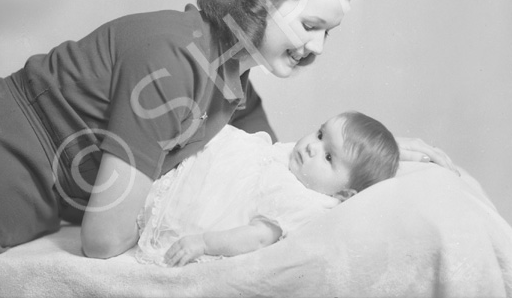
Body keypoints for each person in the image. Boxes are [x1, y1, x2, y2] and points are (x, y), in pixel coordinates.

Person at [0, 0, 455, 298]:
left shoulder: (235, 85)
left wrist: (381, 152)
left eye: (328, 34)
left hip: (13, 199)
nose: (317, 49)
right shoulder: (176, 61)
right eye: (311, 26)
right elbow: (103, 241)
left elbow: (277, 171)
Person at [136, 111, 400, 267]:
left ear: (343, 194)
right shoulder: (298, 162)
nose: (312, 146)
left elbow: (259, 236)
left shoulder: (304, 202)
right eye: (320, 135)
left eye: (329, 157)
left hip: (207, 202)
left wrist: (203, 243)